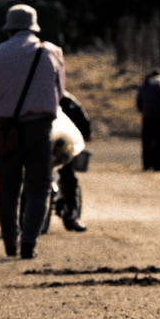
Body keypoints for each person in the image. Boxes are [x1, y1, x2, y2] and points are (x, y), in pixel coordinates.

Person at [0, 4, 66, 259]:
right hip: (40, 128)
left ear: (9, 29)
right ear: (34, 28)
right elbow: (59, 93)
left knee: (8, 188)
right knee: (39, 188)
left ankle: (9, 243)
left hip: (5, 130)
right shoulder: (52, 53)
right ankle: (29, 243)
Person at [51, 91, 91, 232]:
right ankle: (72, 214)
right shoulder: (67, 100)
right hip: (61, 147)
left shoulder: (34, 97)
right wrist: (85, 135)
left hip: (42, 144)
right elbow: (84, 122)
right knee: (68, 176)